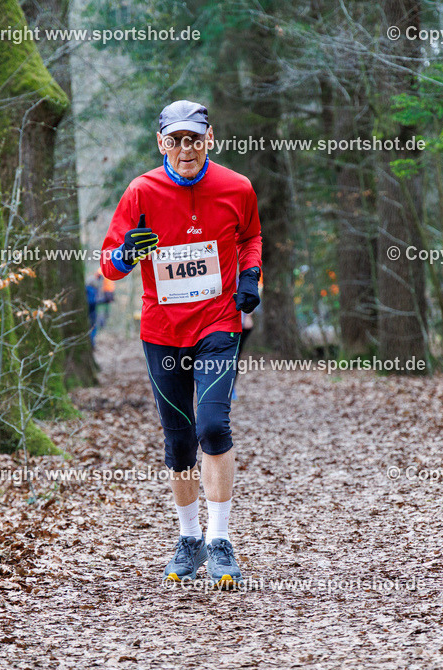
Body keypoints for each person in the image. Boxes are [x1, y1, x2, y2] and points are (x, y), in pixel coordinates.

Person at [99, 100, 263, 588]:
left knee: (213, 426)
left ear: (209, 138)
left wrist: (250, 273)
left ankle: (219, 540)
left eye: (194, 138)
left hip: (218, 322)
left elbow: (251, 235)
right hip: (163, 330)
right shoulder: (141, 192)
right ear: (161, 143)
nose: (185, 149)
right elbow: (109, 265)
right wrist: (128, 251)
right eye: (176, 140)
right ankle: (188, 537)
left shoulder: (237, 187)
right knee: (179, 437)